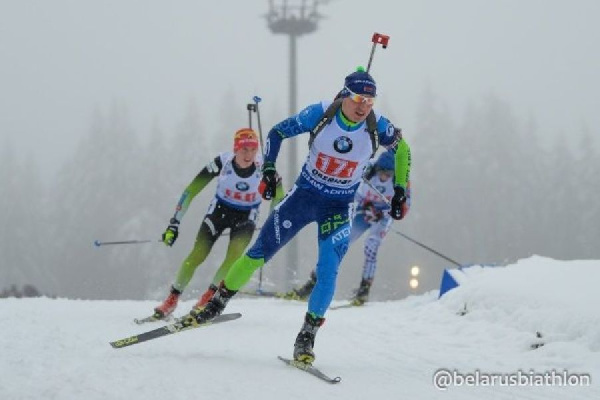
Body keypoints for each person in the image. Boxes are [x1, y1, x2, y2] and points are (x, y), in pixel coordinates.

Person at [182, 67, 412, 365]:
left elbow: (403, 149)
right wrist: (267, 168)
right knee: (258, 253)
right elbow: (278, 132)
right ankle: (216, 304)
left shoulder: (378, 125)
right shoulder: (320, 113)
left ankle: (306, 338)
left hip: (339, 207)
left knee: (328, 271)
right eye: (357, 98)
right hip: (303, 197)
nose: (362, 106)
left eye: (369, 101)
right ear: (344, 94)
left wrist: (400, 190)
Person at [153, 128, 284, 319]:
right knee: (197, 254)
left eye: (252, 149)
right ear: (235, 149)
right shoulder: (221, 163)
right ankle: (172, 299)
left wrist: (273, 220)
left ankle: (207, 298)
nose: (248, 155)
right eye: (244, 150)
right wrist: (174, 223)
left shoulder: (266, 168)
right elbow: (190, 191)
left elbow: (279, 198)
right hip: (219, 211)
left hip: (247, 216)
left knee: (233, 258)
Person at [285, 149, 411, 305]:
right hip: (363, 211)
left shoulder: (401, 181)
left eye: (388, 173)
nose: (384, 176)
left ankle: (364, 290)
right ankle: (313, 282)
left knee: (371, 246)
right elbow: (351, 191)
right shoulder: (368, 170)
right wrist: (363, 207)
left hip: (383, 217)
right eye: (382, 172)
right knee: (339, 241)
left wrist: (385, 213)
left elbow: (403, 209)